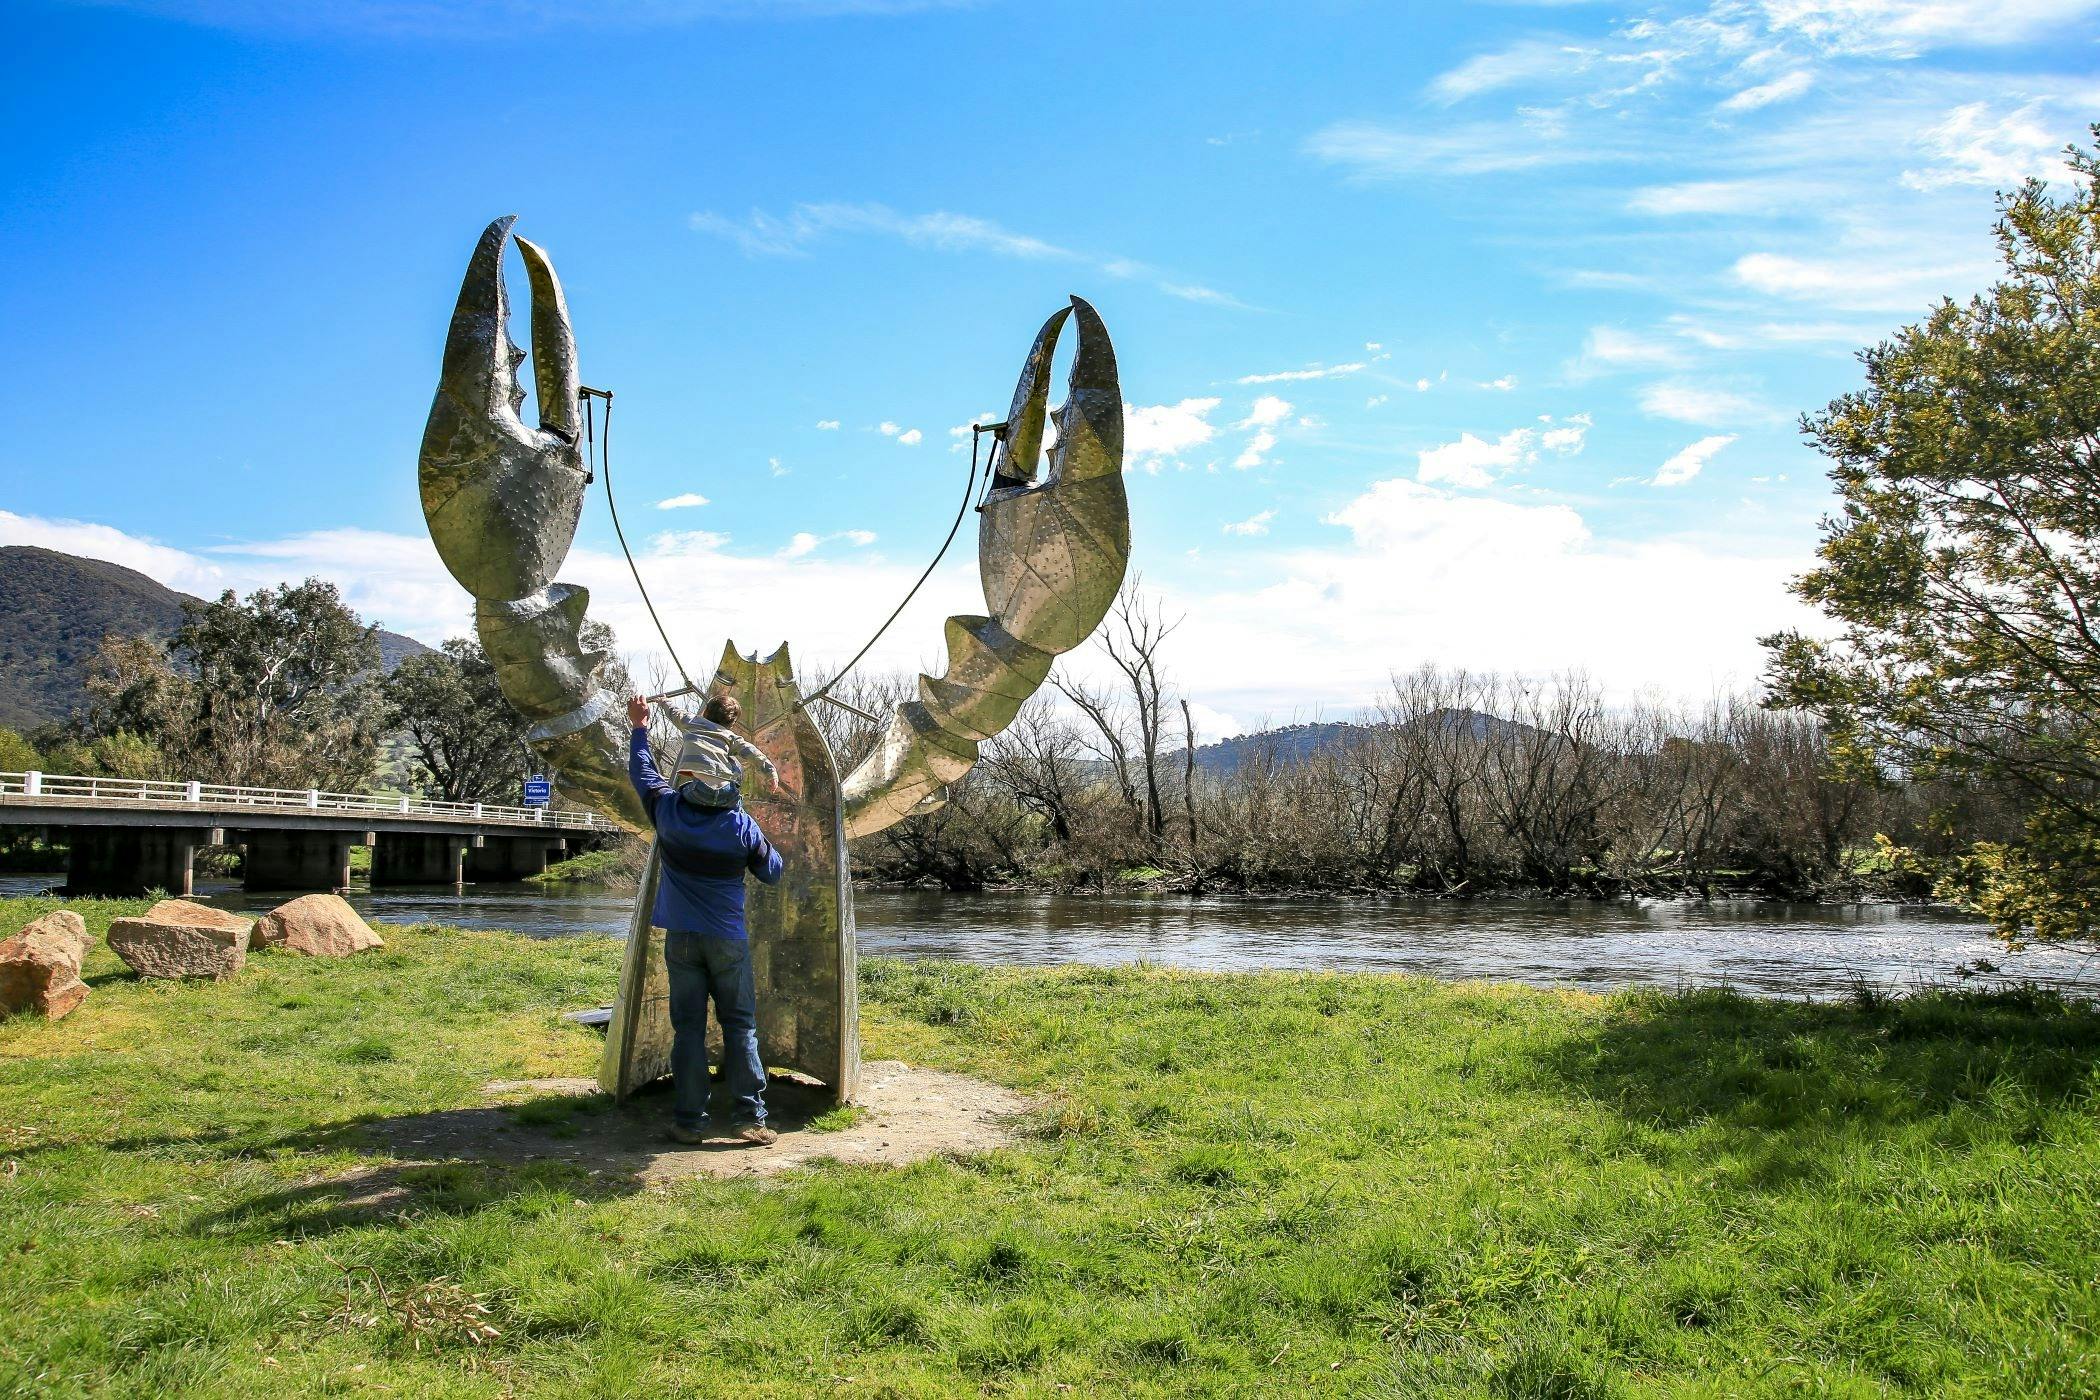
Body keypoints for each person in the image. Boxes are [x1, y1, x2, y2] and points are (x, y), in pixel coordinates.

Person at [627, 692, 785, 1146]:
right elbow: (773, 873)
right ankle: (749, 1118)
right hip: (728, 940)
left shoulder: (669, 811)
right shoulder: (740, 826)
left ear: (689, 777)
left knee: (689, 1029)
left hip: (682, 939)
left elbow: (643, 773)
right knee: (740, 1025)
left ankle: (689, 1122)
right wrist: (757, 831)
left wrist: (640, 727)